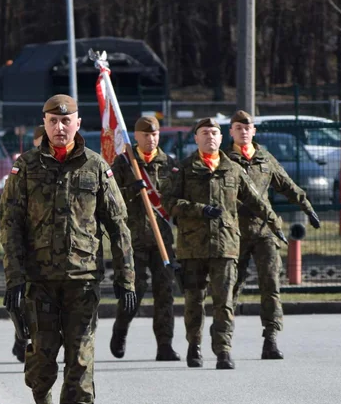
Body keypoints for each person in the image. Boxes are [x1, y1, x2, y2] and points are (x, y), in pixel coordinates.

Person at [2, 95, 135, 404]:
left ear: (78, 123)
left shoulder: (96, 167)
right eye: (52, 121)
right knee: (41, 359)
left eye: (66, 121)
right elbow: (10, 226)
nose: (60, 128)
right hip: (39, 281)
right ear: (44, 124)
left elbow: (118, 226)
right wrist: (14, 279)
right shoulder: (26, 167)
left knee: (80, 358)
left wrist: (127, 280)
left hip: (83, 280)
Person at [162, 117, 286, 370]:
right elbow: (169, 203)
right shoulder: (184, 169)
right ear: (196, 138)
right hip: (192, 246)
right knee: (194, 301)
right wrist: (198, 209)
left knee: (224, 301)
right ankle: (194, 346)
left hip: (226, 246)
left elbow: (256, 201)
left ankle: (223, 350)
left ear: (221, 139)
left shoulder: (233, 169)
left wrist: (275, 224)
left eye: (214, 133)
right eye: (204, 133)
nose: (210, 137)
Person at [226, 111, 321, 360]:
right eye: (238, 128)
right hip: (234, 232)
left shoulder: (265, 158)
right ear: (231, 132)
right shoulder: (225, 159)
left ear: (254, 131)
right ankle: (224, 340)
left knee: (271, 284)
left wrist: (307, 206)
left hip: (265, 231)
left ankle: (271, 338)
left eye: (247, 128)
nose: (243, 132)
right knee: (230, 287)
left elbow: (286, 184)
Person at [108, 116, 179, 361]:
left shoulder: (169, 163)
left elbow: (175, 200)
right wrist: (132, 190)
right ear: (136, 137)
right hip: (134, 239)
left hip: (163, 241)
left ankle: (165, 345)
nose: (151, 139)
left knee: (165, 293)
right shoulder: (125, 163)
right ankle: (121, 330)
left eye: (155, 134)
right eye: (146, 135)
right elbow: (110, 197)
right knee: (134, 292)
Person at [0, 124, 45, 362]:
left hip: (51, 252)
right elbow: (9, 212)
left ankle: (28, 341)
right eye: (39, 140)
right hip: (27, 248)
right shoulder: (26, 167)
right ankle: (21, 337)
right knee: (24, 300)